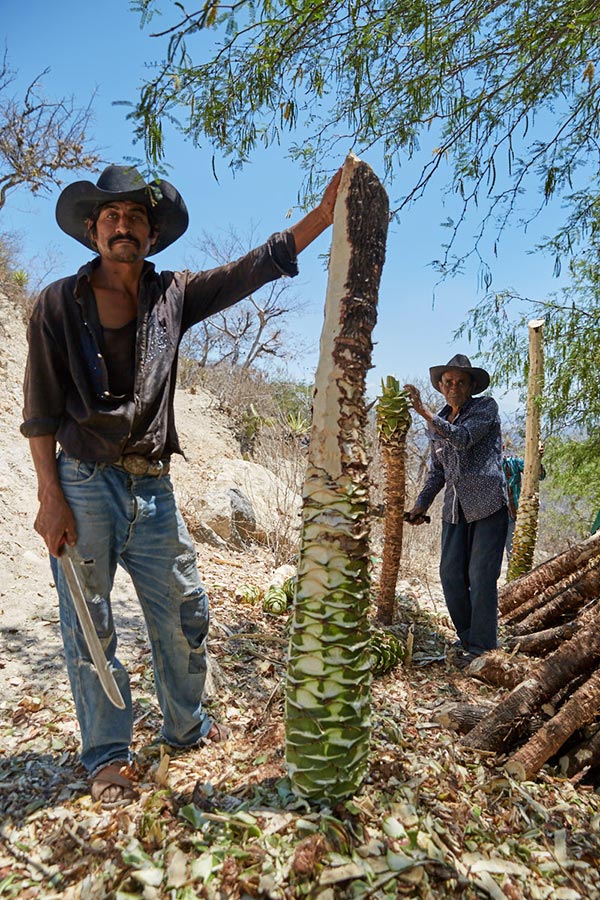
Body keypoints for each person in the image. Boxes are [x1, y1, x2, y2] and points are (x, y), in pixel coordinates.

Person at [21, 163, 340, 805]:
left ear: (152, 231)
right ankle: (108, 754)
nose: (123, 225)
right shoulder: (57, 303)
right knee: (90, 625)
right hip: (82, 483)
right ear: (92, 230)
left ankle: (185, 727)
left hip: (154, 489)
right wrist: (49, 494)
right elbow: (40, 409)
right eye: (111, 216)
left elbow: (252, 268)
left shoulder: (175, 295)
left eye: (135, 216)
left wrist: (323, 217)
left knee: (184, 611)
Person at [403, 354, 508, 668]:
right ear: (440, 385)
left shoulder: (485, 408)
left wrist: (422, 412)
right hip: (455, 508)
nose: (453, 387)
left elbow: (462, 440)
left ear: (472, 385)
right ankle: (467, 638)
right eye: (448, 382)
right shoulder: (438, 420)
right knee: (449, 574)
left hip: (488, 503)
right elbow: (438, 470)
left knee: (481, 576)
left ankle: (484, 648)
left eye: (461, 382)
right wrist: (421, 505)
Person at [503, 444, 545, 561]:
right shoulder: (485, 467)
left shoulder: (513, 463)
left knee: (514, 556)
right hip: (492, 519)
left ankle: (514, 579)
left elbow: (539, 475)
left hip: (512, 516)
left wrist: (537, 458)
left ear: (502, 447)